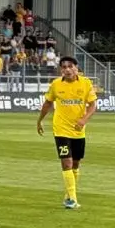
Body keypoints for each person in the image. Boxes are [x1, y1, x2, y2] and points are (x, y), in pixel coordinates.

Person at [37, 57, 97, 209]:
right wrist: (39, 120)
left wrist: (84, 120)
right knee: (67, 162)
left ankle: (68, 194)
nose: (67, 69)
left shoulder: (85, 83)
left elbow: (92, 105)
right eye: (64, 67)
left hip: (78, 131)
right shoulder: (56, 84)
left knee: (75, 164)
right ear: (61, 70)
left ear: (76, 68)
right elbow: (48, 103)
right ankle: (72, 199)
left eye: (70, 66)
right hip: (61, 129)